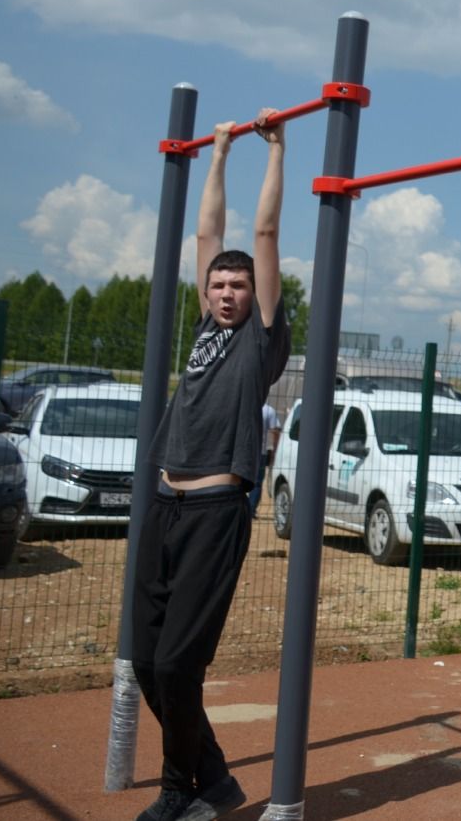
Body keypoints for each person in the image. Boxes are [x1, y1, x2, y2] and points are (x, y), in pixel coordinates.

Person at [132, 111, 291, 821]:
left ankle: (178, 789)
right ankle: (217, 777)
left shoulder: (260, 341)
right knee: (145, 660)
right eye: (219, 285)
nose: (227, 291)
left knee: (177, 664)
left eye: (238, 286)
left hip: (215, 511)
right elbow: (209, 232)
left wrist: (275, 150)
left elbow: (259, 237)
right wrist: (219, 151)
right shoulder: (204, 328)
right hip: (164, 503)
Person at [247, 403, 281, 515]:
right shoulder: (269, 410)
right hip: (260, 451)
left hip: (243, 450)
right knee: (257, 483)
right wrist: (274, 451)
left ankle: (242, 509)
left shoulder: (247, 406)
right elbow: (275, 431)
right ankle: (251, 510)